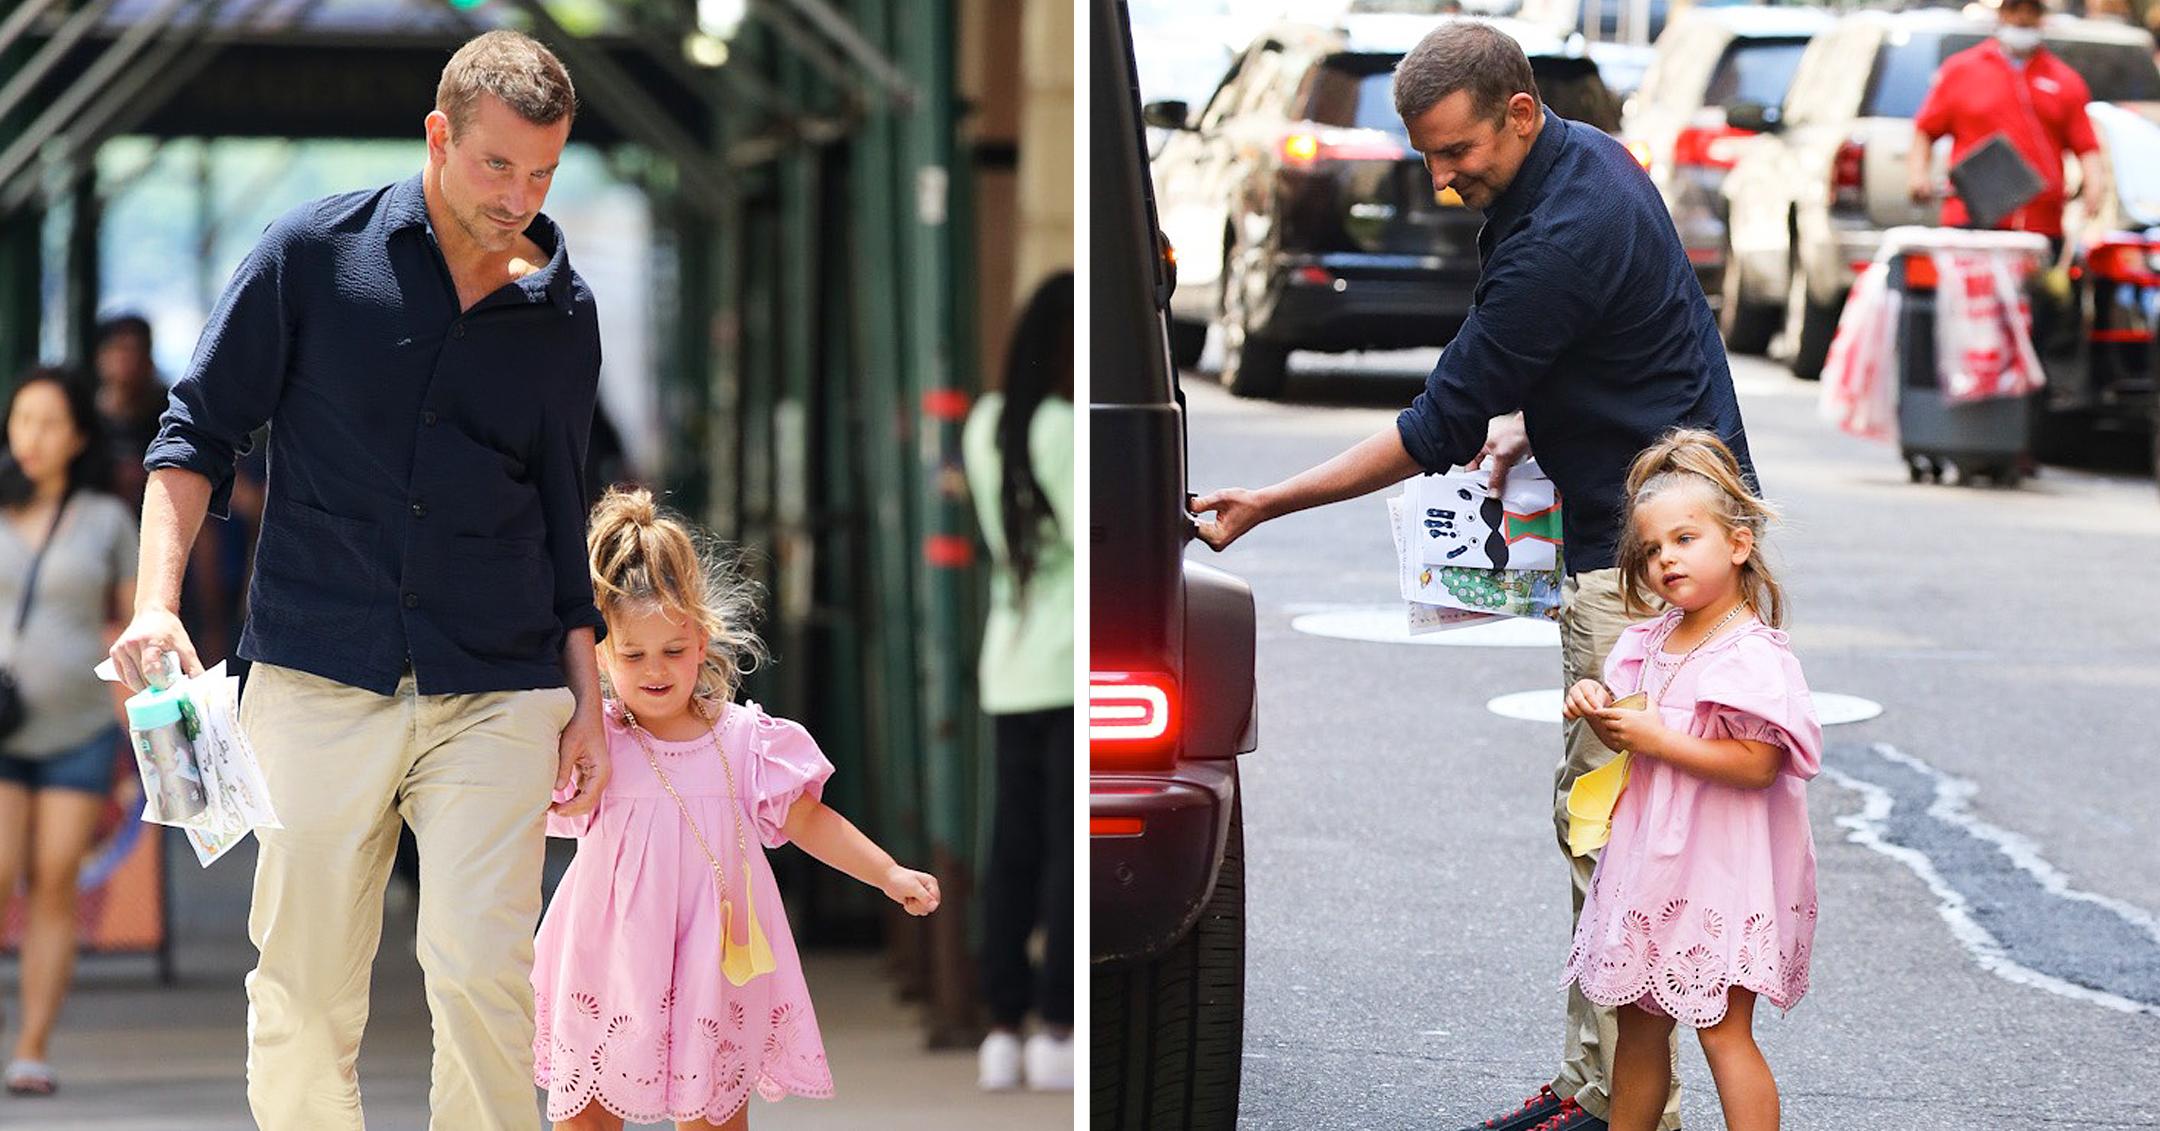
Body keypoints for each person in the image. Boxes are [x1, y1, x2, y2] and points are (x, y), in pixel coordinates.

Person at [1188, 20, 1755, 1131]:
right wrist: (1529, 427)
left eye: (1460, 155)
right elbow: (1604, 352)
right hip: (1664, 520)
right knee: (1613, 826)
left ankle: (1614, 1106)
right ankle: (1603, 1088)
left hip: (1644, 562)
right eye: (1429, 159)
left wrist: (1267, 502)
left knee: (1611, 831)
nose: (1446, 182)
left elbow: (1436, 421)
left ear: (1520, 114)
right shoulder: (1586, 157)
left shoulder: (1563, 232)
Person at [106, 30, 610, 1131]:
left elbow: (564, 514)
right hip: (316, 673)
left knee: (483, 970)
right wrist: (155, 600)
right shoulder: (312, 257)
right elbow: (194, 437)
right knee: (302, 985)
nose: (519, 195)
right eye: (497, 166)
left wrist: (589, 695)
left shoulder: (563, 316)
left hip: (500, 682)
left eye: (544, 172)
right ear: (439, 136)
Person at [533, 486, 941, 1130]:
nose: (655, 670)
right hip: (608, 955)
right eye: (633, 655)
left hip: (713, 958)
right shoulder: (595, 742)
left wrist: (888, 873)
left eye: (672, 650)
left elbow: (811, 822)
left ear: (701, 641)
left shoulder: (747, 742)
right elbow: (525, 809)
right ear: (602, 657)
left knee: (716, 1112)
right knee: (584, 1112)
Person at [1560, 429, 1820, 1131]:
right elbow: (1623, 713)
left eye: (1684, 538)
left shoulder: (1751, 654)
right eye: (1651, 548)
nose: (1665, 557)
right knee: (1637, 1024)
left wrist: (1658, 739)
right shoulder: (1647, 639)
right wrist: (1593, 700)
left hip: (1723, 873)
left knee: (1722, 1030)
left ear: (1737, 544)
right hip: (1652, 864)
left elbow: (1760, 762)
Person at [0, 369, 137, 1098]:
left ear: (79, 434)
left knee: (55, 882)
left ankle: (31, 1047)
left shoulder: (107, 521)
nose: (33, 436)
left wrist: (145, 730)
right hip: (3, 729)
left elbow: (131, 625)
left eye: (50, 422)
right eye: (22, 420)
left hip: (81, 727)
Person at [961, 273, 1075, 1092]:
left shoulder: (986, 422)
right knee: (1066, 852)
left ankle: (999, 1022)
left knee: (1013, 848)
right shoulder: (1063, 429)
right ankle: (1057, 1023)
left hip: (1010, 659)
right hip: (1071, 660)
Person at [1904, 0, 2105, 243]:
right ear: (2001, 14)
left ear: (2041, 17)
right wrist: (1917, 175)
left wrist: (2095, 186)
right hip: (1971, 219)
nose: (2022, 18)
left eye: (2030, 11)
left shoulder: (2065, 79)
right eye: (2014, 10)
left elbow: (2086, 145)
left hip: (2040, 224)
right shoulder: (1961, 70)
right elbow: (1925, 130)